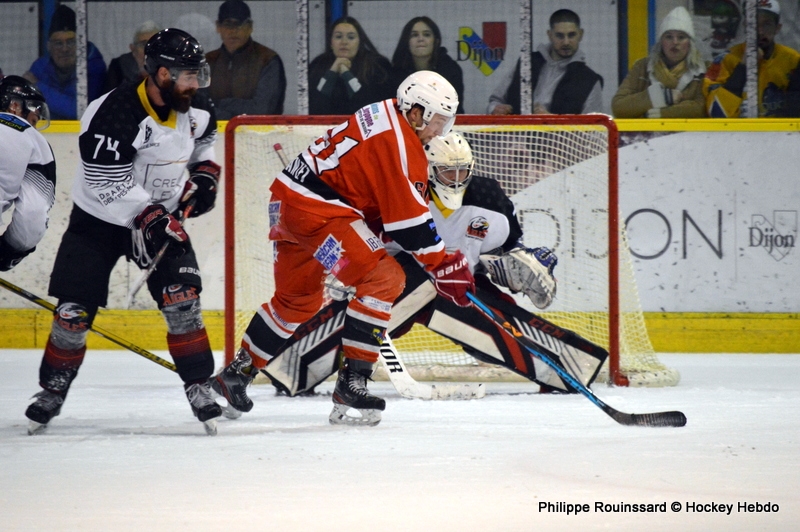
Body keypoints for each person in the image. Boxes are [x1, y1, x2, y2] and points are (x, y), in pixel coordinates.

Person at [211, 71, 473, 427]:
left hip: (289, 205)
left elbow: (370, 187)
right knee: (386, 278)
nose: (440, 131)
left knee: (296, 302)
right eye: (438, 122)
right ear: (416, 113)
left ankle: (236, 375)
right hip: (317, 212)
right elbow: (410, 227)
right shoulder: (402, 144)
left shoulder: (385, 112)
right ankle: (353, 381)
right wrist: (444, 265)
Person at [259, 132, 605, 400]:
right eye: (445, 170)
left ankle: (566, 368)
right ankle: (292, 364)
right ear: (427, 168)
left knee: (500, 324)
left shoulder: (489, 200)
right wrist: (345, 267)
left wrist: (518, 262)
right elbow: (353, 235)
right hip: (396, 286)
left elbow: (508, 249)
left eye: (461, 171)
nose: (455, 179)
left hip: (457, 288)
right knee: (365, 317)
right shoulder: (398, 191)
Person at [24, 29, 223, 436]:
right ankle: (52, 389)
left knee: (182, 300)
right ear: (162, 73)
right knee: (73, 312)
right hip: (99, 220)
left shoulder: (197, 106)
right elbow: (104, 179)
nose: (196, 83)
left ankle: (200, 385)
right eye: (188, 74)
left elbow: (205, 144)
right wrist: (149, 216)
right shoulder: (112, 111)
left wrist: (204, 177)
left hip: (160, 217)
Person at [487, 9, 603, 115]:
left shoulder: (590, 80)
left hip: (558, 138)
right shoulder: (526, 63)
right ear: (550, 35)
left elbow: (593, 129)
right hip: (516, 137)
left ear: (580, 34)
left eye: (571, 35)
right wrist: (495, 109)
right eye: (559, 36)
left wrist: (552, 121)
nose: (566, 42)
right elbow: (495, 101)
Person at [704, 0, 800, 117]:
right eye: (753, 23)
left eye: (767, 24)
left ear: (777, 28)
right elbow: (717, 114)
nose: (759, 31)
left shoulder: (793, 61)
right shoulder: (725, 61)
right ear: (745, 25)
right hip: (737, 133)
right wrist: (743, 67)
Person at [0, 76, 56, 273]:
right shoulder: (28, 136)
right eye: (34, 108)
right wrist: (9, 252)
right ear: (14, 106)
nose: (37, 117)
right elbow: (33, 214)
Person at [612, 7, 707, 118]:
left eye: (681, 37)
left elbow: (703, 107)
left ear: (690, 43)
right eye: (669, 37)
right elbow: (618, 107)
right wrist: (659, 97)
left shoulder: (704, 70)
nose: (675, 42)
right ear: (661, 41)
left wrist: (663, 114)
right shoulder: (642, 67)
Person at [23, 4, 107, 120]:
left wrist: (38, 87)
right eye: (58, 43)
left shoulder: (94, 67)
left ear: (82, 44)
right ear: (49, 46)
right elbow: (29, 109)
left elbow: (78, 110)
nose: (65, 49)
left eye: (71, 42)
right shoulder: (40, 67)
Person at [205, 0, 286, 118]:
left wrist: (220, 104)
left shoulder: (267, 60)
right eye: (228, 24)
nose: (234, 31)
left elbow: (262, 110)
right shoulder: (207, 62)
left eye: (240, 25)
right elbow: (199, 108)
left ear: (250, 27)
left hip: (261, 134)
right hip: (214, 134)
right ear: (218, 27)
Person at [308, 16, 394, 115]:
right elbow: (315, 107)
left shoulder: (377, 66)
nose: (344, 42)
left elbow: (368, 108)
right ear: (331, 43)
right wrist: (331, 72)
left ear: (360, 42)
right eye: (338, 37)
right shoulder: (318, 65)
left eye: (351, 37)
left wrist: (346, 74)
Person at [390, 16, 465, 114]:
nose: (420, 39)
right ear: (406, 41)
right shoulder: (394, 73)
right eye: (414, 35)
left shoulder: (450, 70)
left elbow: (454, 110)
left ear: (436, 41)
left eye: (426, 34)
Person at [103, 20, 161, 92]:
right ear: (133, 49)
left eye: (154, 45)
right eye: (143, 44)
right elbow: (109, 99)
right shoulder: (118, 67)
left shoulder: (170, 67)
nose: (148, 50)